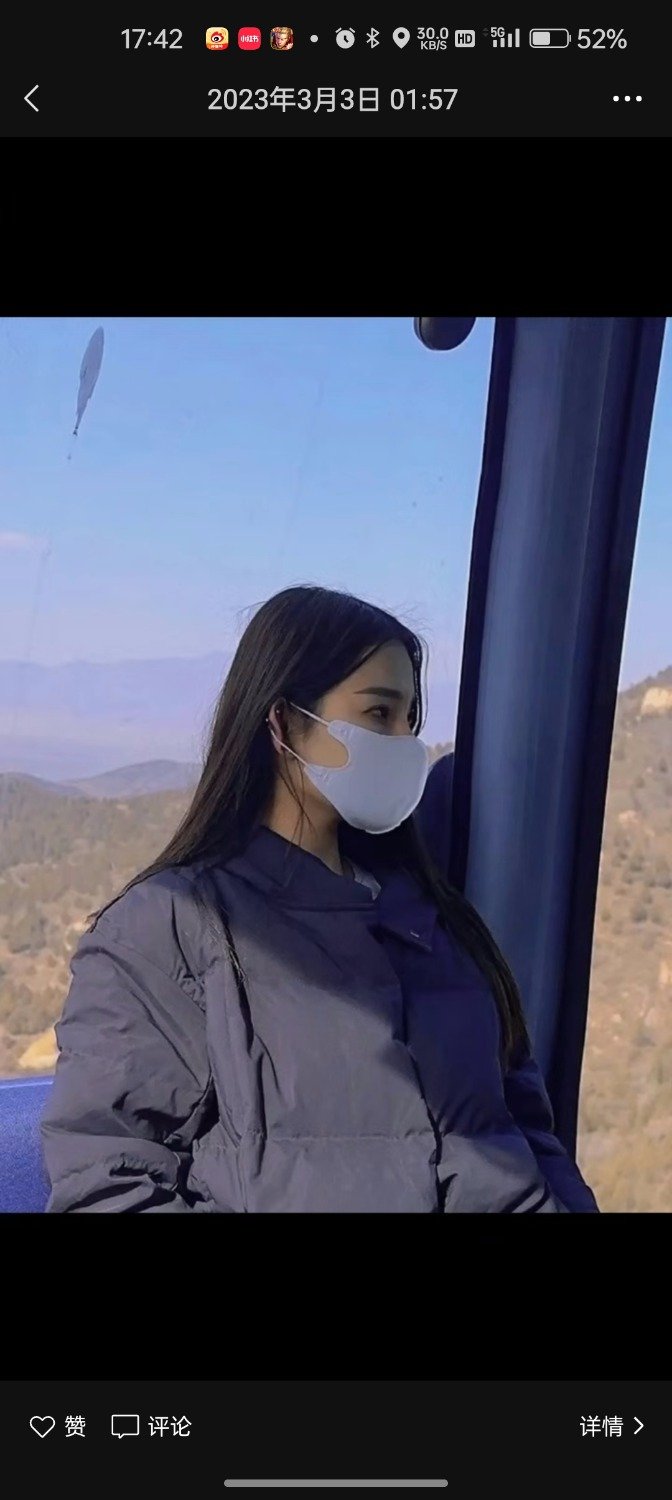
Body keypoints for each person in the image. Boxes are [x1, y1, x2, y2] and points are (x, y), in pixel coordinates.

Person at [40, 585, 599, 1212]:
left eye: (410, 720)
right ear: (283, 722)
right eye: (379, 714)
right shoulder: (169, 927)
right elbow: (107, 1182)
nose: (404, 744)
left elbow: (526, 1130)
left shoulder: (437, 919)